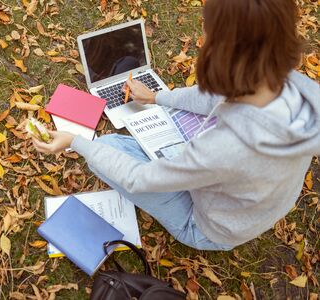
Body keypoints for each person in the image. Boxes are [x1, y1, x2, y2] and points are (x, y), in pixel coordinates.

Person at [33, 0, 320, 250]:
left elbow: (138, 178)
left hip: (209, 228)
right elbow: (214, 97)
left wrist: (74, 141)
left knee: (105, 149)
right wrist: (158, 97)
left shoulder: (225, 148)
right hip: (251, 206)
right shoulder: (295, 85)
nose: (201, 38)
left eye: (206, 29)